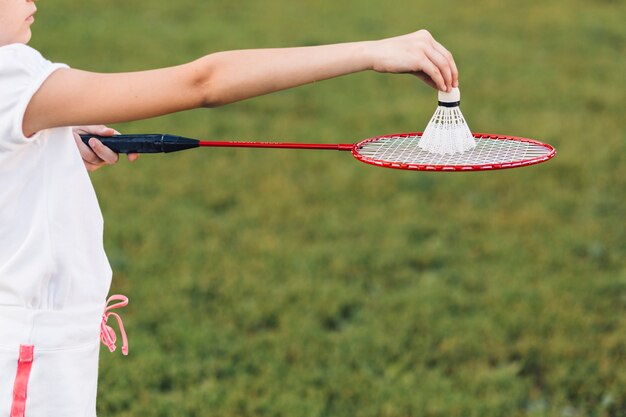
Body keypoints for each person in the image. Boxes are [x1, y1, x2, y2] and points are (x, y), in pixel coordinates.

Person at [0, 0, 459, 415]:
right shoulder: (12, 75)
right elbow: (204, 81)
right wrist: (373, 52)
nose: (30, 0)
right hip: (28, 351)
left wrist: (51, 148)